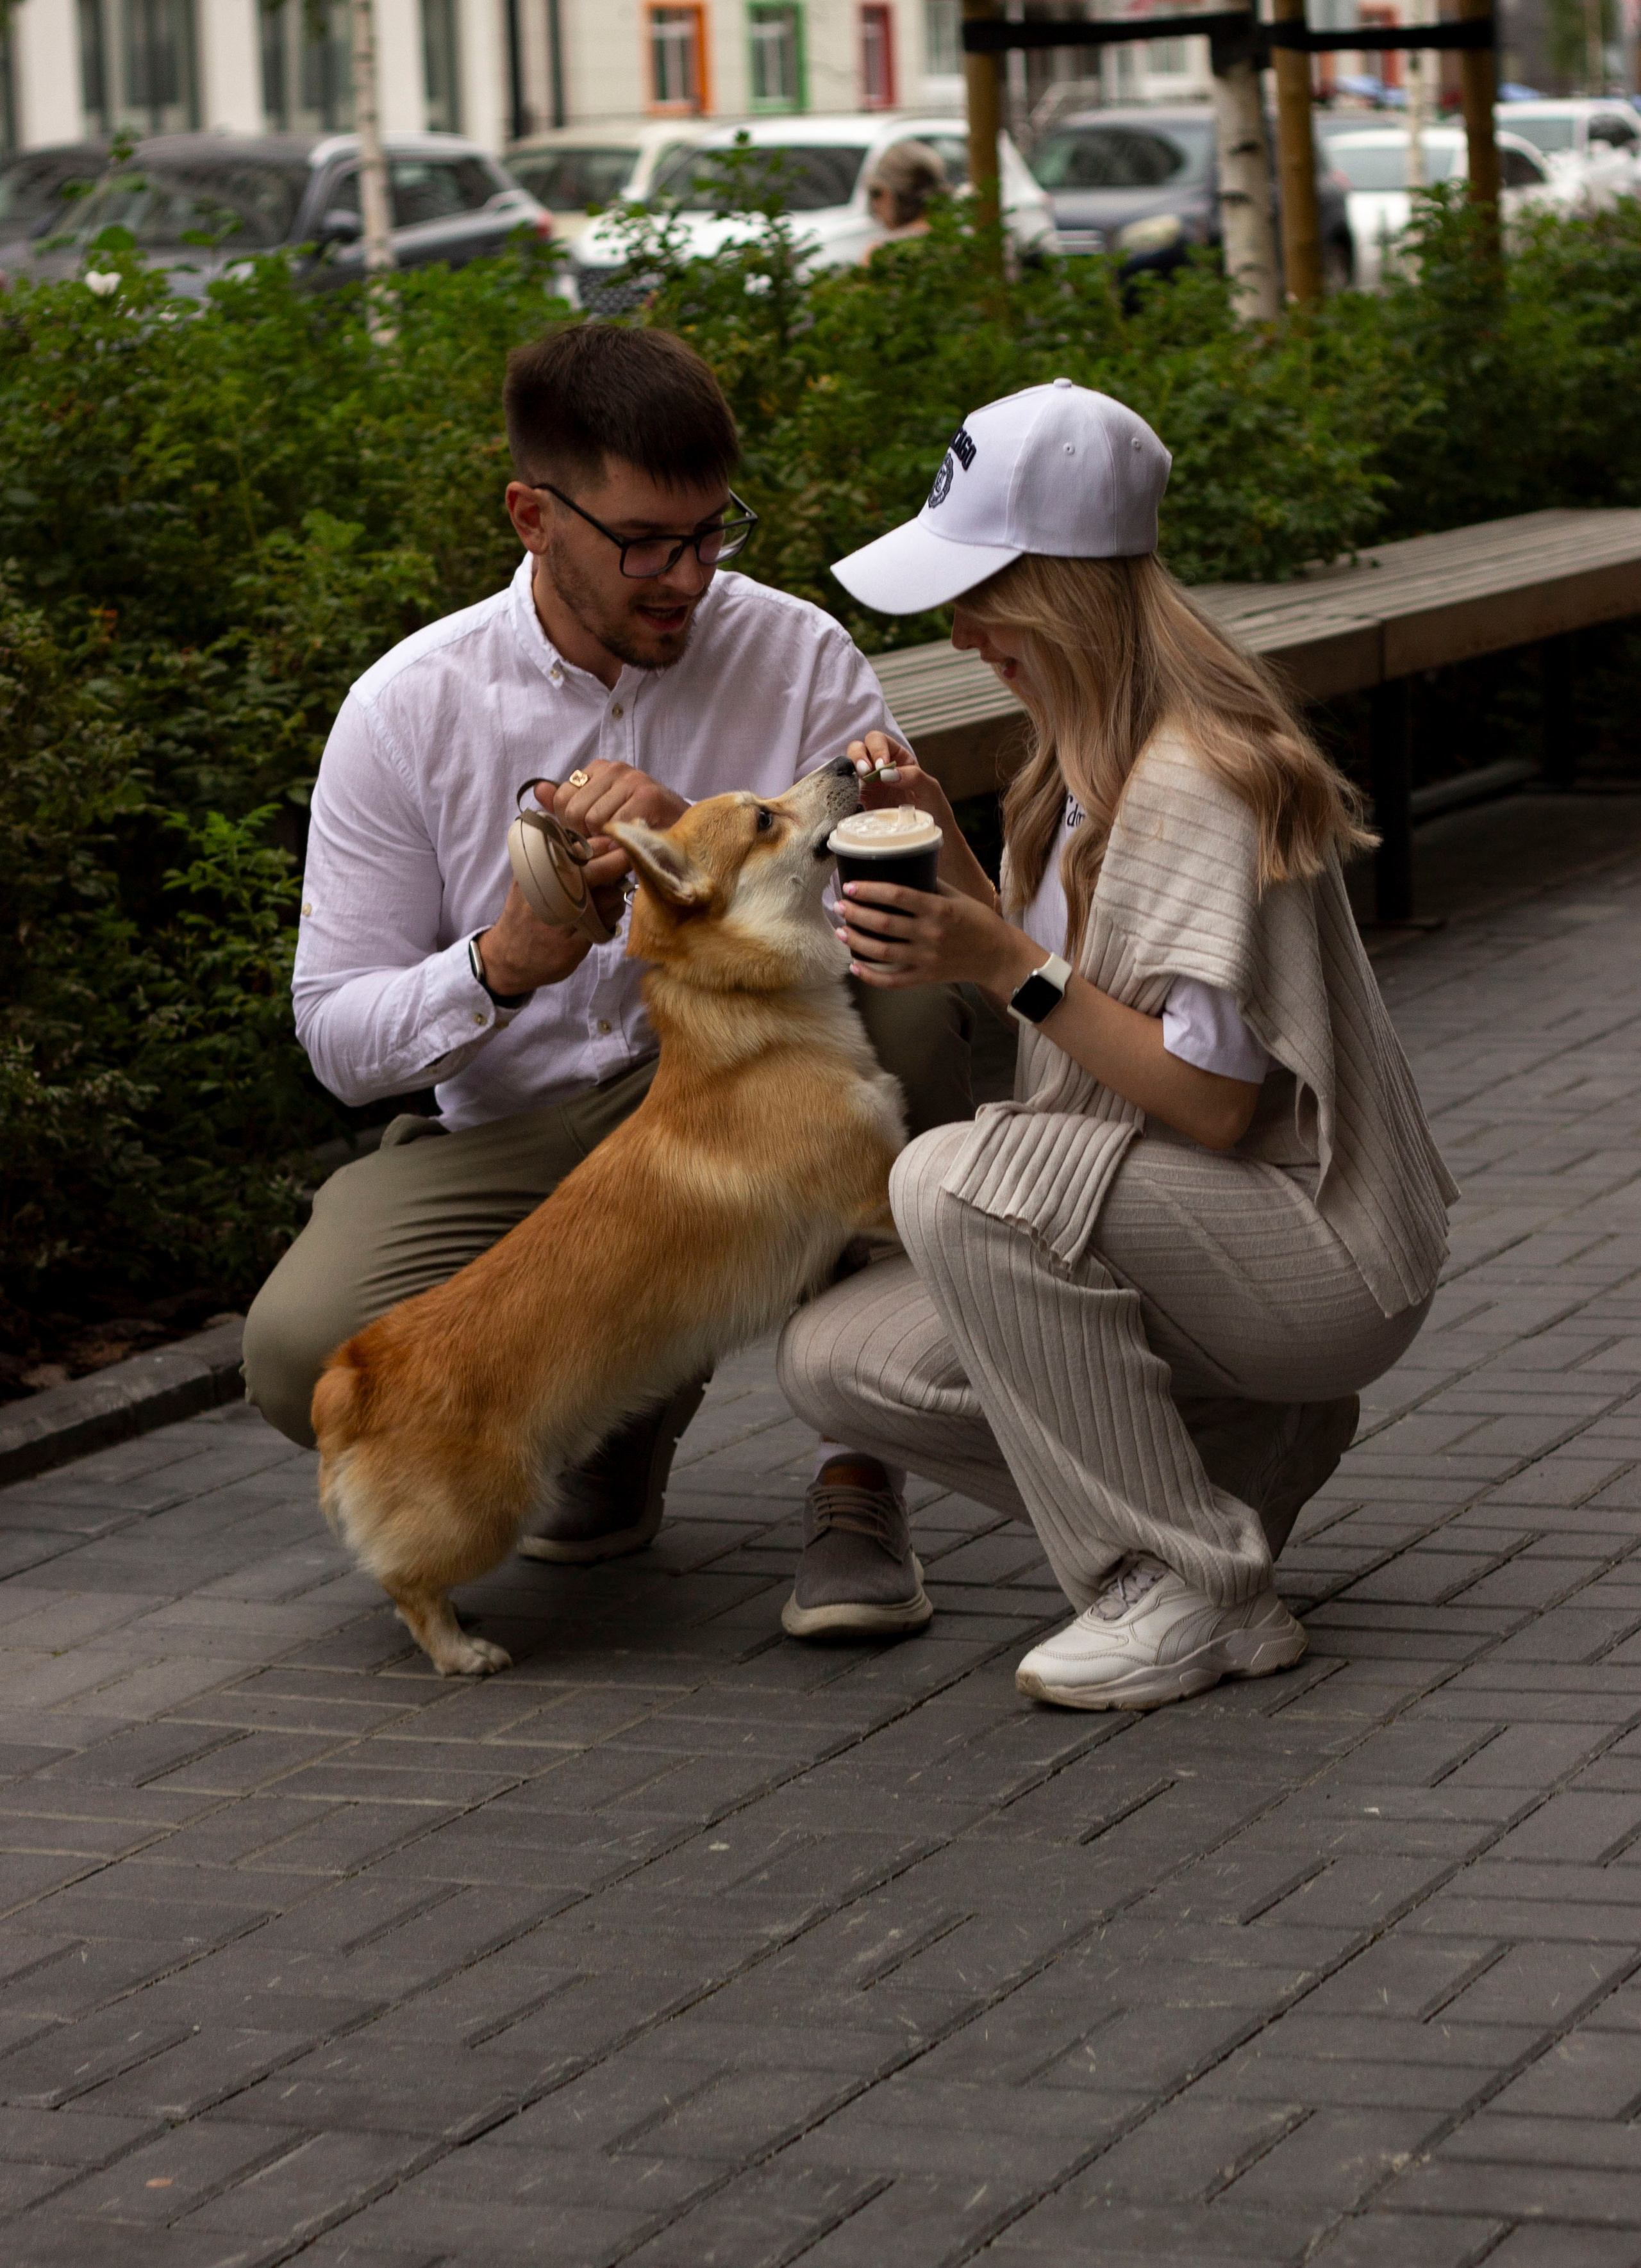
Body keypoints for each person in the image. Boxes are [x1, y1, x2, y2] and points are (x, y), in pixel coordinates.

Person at [242, 324, 971, 1633]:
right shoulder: (410, 707)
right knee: (304, 1347)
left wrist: (699, 842)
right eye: (644, 541)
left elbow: (926, 902)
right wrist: (505, 961)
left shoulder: (795, 654)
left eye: (709, 534)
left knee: (920, 1013)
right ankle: (612, 1414)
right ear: (532, 513)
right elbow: (336, 1040)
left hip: (754, 1069)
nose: (687, 577)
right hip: (531, 1131)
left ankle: (858, 1467)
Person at [778, 379, 1457, 1710]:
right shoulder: (1081, 758)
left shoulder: (1193, 777)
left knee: (950, 1179)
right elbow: (1075, 984)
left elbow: (1206, 1099)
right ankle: (1243, 1448)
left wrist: (995, 961)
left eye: (985, 595)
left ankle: (1187, 1581)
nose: (966, 632)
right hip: (1200, 1227)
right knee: (837, 1361)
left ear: (1064, 589)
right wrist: (957, 863)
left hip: (1307, 1247)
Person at [862, 141, 947, 255]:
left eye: (875, 193)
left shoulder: (881, 254)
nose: (874, 206)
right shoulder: (959, 240)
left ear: (887, 194)